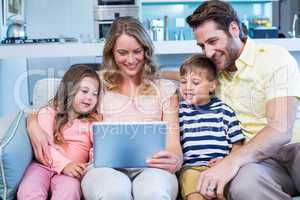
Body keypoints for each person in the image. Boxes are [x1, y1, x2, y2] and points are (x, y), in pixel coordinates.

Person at [27, 16, 182, 200]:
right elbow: (54, 106)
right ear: (111, 53)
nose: (131, 60)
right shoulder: (96, 83)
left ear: (146, 51)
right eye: (122, 53)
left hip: (154, 168)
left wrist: (175, 161)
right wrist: (32, 124)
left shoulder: (165, 89)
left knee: (153, 193)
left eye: (137, 51)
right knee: (112, 193)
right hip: (103, 167)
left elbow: (173, 146)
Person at [163, 0, 300, 199]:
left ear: (234, 29)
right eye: (202, 46)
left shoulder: (274, 57)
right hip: (256, 164)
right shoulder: (213, 73)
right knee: (245, 187)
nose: (208, 53)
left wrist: (230, 161)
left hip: (293, 148)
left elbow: (280, 129)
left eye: (213, 41)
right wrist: (153, 74)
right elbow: (185, 76)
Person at [18, 65, 101, 199]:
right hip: (42, 166)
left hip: (72, 172)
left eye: (95, 94)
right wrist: (64, 165)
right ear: (69, 90)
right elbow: (45, 147)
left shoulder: (92, 122)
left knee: (69, 191)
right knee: (29, 189)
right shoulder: (48, 113)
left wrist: (90, 160)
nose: (90, 97)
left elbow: (98, 146)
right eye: (85, 91)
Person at [178, 54, 245, 200]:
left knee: (223, 193)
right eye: (183, 82)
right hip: (192, 168)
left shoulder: (224, 111)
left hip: (221, 168)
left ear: (212, 85)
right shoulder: (179, 112)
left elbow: (238, 144)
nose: (188, 87)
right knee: (194, 194)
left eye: (195, 82)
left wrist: (227, 160)